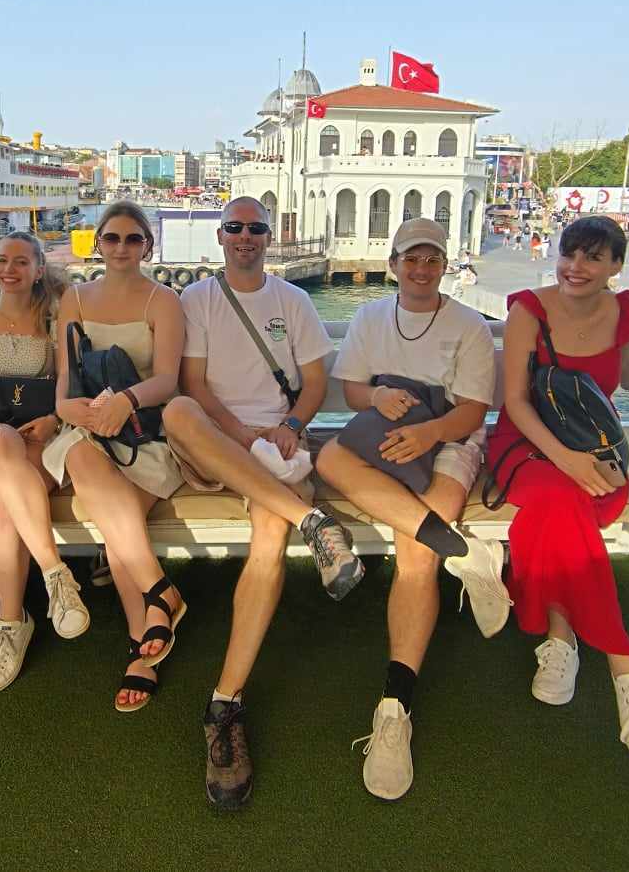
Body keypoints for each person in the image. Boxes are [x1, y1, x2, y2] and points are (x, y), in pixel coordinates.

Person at [160, 196, 360, 808]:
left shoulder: (292, 300)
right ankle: (313, 522)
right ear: (220, 236)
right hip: (218, 441)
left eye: (255, 228)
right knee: (178, 410)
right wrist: (244, 438)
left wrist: (292, 426)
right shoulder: (197, 298)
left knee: (269, 536)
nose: (245, 236)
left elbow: (316, 382)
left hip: (277, 446)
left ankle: (225, 704)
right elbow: (194, 385)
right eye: (234, 227)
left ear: (269, 238)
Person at [315, 218, 511, 802]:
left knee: (415, 552)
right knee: (329, 459)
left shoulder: (469, 325)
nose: (421, 269)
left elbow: (472, 412)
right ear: (394, 263)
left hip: (449, 438)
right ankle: (466, 552)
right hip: (390, 428)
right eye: (411, 259)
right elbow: (353, 389)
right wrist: (377, 396)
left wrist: (428, 434)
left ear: (444, 265)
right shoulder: (370, 317)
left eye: (432, 260)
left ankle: (394, 706)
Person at [489, 215, 629, 769]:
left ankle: (561, 635)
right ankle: (627, 672)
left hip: (591, 446)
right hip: (526, 443)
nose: (575, 267)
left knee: (564, 511)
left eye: (593, 257)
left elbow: (624, 368)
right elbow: (515, 401)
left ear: (616, 266)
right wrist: (566, 460)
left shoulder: (625, 314)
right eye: (568, 254)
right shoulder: (529, 311)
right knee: (563, 497)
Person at [42, 201, 186, 712]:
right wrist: (69, 408)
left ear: (147, 245)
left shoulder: (164, 301)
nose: (122, 247)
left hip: (145, 434)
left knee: (118, 527)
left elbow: (167, 379)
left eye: (132, 238)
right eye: (112, 238)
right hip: (88, 432)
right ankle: (157, 597)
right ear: (98, 243)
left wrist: (125, 401)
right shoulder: (75, 298)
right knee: (83, 458)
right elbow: (65, 380)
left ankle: (142, 637)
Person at [0, 231, 90, 696]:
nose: (8, 270)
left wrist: (53, 419)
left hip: (36, 440)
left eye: (20, 262)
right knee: (1, 439)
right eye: (2, 261)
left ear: (37, 269)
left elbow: (68, 386)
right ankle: (56, 575)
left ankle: (11, 623)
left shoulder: (53, 320)